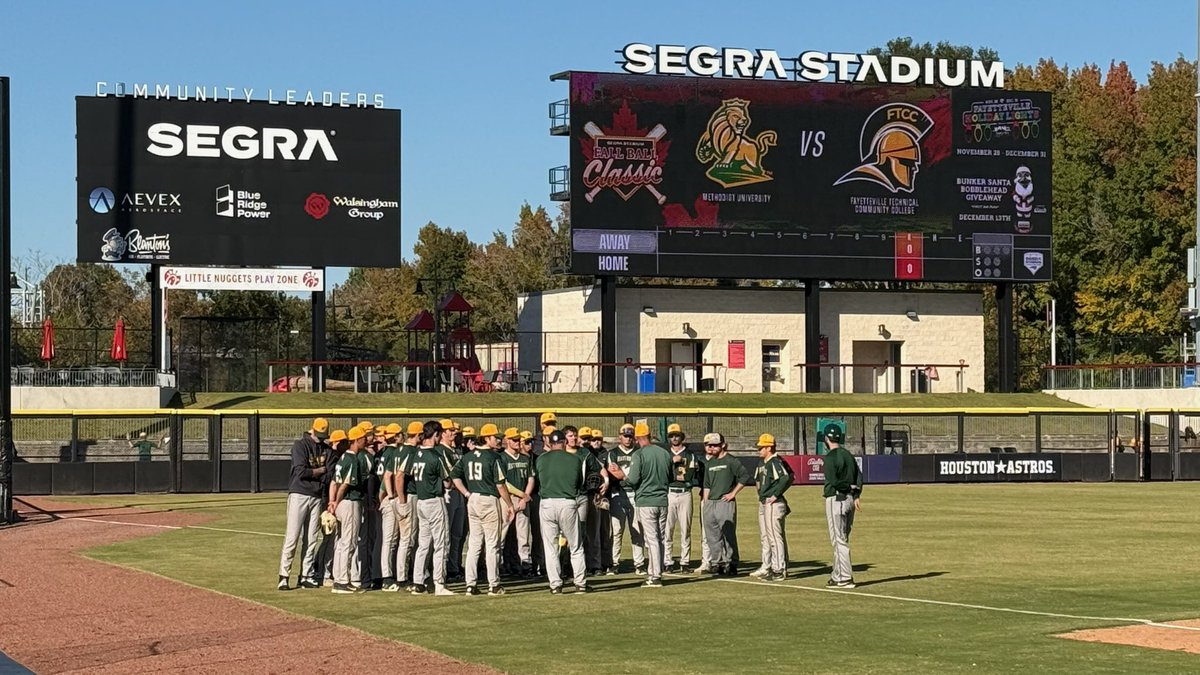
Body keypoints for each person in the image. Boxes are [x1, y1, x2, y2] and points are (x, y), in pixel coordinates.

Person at [450, 423, 516, 596]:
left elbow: (455, 476)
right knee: (492, 544)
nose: (499, 440)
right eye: (496, 437)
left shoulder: (467, 456)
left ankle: (470, 584)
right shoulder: (493, 457)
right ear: (487, 438)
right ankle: (493, 584)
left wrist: (466, 493)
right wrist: (510, 505)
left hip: (473, 500)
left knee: (474, 544)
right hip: (488, 499)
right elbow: (500, 485)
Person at [607, 422, 671, 588]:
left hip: (645, 500)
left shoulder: (639, 454)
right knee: (660, 538)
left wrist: (621, 475)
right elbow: (670, 476)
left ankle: (655, 576)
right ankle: (657, 570)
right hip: (663, 500)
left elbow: (633, 480)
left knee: (652, 539)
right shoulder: (664, 453)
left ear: (637, 438)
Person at [402, 420, 456, 596]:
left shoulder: (416, 454)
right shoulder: (435, 455)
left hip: (421, 501)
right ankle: (439, 583)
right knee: (441, 542)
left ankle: (418, 582)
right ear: (436, 434)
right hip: (434, 500)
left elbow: (407, 473)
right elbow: (448, 482)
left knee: (423, 544)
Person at [533, 429, 589, 594]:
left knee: (550, 547)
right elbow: (579, 482)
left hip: (547, 502)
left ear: (549, 442)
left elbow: (538, 481)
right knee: (576, 546)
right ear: (564, 442)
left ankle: (555, 585)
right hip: (567, 502)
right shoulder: (575, 459)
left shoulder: (541, 459)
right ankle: (580, 583)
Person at [278, 418, 331, 591]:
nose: (321, 439)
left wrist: (317, 473)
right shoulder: (300, 445)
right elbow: (301, 472)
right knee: (292, 537)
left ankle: (306, 575)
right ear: (312, 430)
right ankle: (284, 576)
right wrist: (320, 471)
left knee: (311, 538)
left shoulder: (325, 448)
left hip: (316, 495)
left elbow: (328, 473)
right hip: (299, 493)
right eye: (319, 435)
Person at [700, 432, 749, 576]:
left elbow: (744, 476)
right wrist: (706, 502)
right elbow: (707, 484)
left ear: (723, 445)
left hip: (724, 502)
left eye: (715, 445)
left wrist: (733, 493)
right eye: (710, 445)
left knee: (728, 534)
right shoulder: (710, 463)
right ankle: (717, 563)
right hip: (711, 502)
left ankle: (732, 562)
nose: (712, 448)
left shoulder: (731, 461)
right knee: (712, 535)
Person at [822, 424, 862, 589]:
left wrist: (848, 487)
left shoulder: (831, 457)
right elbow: (859, 476)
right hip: (850, 500)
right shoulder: (848, 455)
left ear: (826, 439)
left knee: (839, 541)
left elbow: (833, 480)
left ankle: (845, 577)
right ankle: (837, 575)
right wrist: (856, 494)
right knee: (842, 539)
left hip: (836, 498)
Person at [329, 426, 368, 594]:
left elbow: (333, 482)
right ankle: (342, 581)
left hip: (341, 503)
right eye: (364, 438)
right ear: (357, 440)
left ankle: (339, 578)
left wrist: (332, 502)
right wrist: (336, 501)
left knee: (341, 542)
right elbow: (344, 485)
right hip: (350, 502)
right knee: (349, 542)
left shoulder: (343, 457)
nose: (366, 440)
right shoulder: (352, 459)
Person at [386, 421, 424, 591]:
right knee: (407, 539)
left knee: (403, 539)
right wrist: (401, 499)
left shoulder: (397, 450)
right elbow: (399, 476)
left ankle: (401, 575)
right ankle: (402, 578)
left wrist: (391, 495)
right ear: (419, 435)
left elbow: (388, 475)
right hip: (408, 496)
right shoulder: (410, 451)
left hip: (397, 496)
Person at [606, 423, 645, 575]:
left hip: (635, 494)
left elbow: (640, 474)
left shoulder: (639, 452)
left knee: (637, 531)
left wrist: (623, 475)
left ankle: (639, 563)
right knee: (617, 531)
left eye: (630, 436)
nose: (627, 439)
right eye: (625, 436)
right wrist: (628, 477)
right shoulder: (613, 453)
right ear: (619, 436)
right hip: (618, 493)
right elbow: (613, 473)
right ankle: (614, 563)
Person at [663, 423, 702, 573]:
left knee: (686, 529)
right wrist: (671, 463)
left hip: (685, 492)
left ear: (681, 437)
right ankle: (668, 561)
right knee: (668, 529)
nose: (674, 438)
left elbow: (690, 475)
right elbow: (664, 474)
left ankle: (685, 562)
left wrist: (680, 473)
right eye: (672, 435)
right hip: (670, 492)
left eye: (677, 435)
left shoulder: (690, 455)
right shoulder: (666, 454)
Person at [753, 433, 791, 582]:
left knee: (775, 537)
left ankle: (779, 569)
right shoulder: (764, 462)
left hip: (773, 503)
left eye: (762, 447)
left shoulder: (775, 461)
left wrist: (775, 494)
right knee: (768, 537)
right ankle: (772, 566)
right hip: (765, 501)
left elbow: (786, 477)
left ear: (769, 447)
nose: (759, 450)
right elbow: (757, 480)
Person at [499, 427, 535, 576]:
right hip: (506, 498)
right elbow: (503, 483)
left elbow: (531, 478)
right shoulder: (501, 458)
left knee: (523, 535)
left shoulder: (525, 458)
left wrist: (525, 496)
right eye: (514, 440)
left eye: (518, 440)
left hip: (523, 500)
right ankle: (500, 564)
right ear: (507, 441)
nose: (518, 442)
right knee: (502, 534)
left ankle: (524, 564)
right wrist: (522, 496)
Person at [375, 423, 403, 591]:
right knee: (390, 540)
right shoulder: (393, 452)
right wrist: (389, 495)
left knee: (389, 539)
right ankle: (387, 577)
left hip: (384, 496)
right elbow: (388, 476)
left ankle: (389, 574)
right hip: (389, 497)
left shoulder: (383, 452)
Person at [317, 429, 348, 586]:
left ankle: (324, 571)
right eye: (342, 441)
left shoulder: (337, 457)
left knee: (332, 538)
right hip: (328, 500)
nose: (345, 443)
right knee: (329, 537)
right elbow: (330, 480)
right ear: (336, 443)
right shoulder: (333, 457)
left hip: (331, 499)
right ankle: (323, 573)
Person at [440, 419, 467, 583]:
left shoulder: (457, 449)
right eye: (450, 430)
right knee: (446, 533)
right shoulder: (441, 450)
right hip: (449, 492)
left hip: (459, 493)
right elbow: (450, 475)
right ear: (443, 432)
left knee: (458, 534)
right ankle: (443, 568)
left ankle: (454, 567)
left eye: (454, 431)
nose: (453, 433)